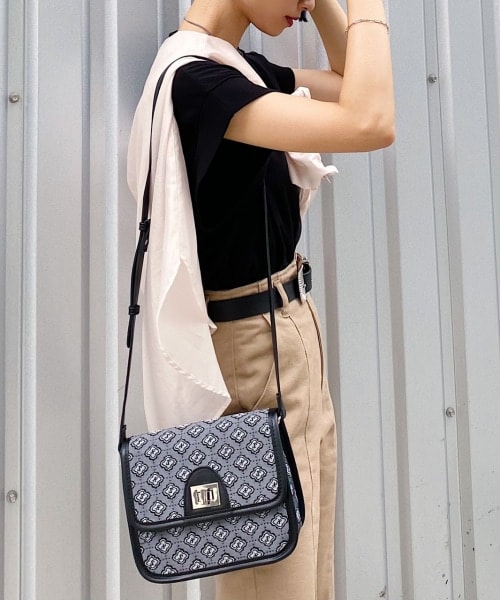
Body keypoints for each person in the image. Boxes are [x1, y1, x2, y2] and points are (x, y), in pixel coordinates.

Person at [127, 0, 394, 599]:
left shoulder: (240, 72)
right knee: (275, 584)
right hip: (254, 354)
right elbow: (371, 121)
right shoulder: (199, 83)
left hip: (288, 335)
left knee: (308, 578)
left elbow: (354, 81)